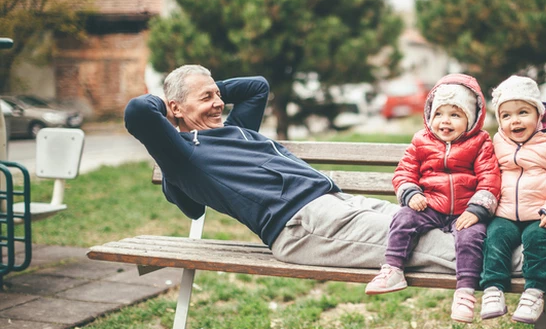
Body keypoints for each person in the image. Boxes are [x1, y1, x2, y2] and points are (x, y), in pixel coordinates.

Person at [124, 64, 457, 273]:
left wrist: (205, 88)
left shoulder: (234, 128)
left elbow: (257, 86)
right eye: (206, 97)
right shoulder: (183, 154)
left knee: (432, 219)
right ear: (175, 108)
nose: (218, 103)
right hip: (302, 223)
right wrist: (171, 104)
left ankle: (501, 242)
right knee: (429, 243)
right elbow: (139, 111)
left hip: (338, 203)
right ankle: (506, 260)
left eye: (218, 94)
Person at [364, 74, 500, 323]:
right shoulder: (420, 141)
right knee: (403, 218)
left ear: (471, 119)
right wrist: (411, 193)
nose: (445, 121)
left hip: (465, 209)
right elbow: (404, 172)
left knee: (472, 237)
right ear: (429, 115)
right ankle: (393, 269)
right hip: (430, 203)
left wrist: (477, 210)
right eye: (439, 114)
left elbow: (490, 179)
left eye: (455, 115)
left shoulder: (481, 143)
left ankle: (465, 291)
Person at [480, 75, 546, 324]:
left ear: (539, 114)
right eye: (506, 115)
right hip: (505, 213)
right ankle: (493, 289)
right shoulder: (498, 143)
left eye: (523, 112)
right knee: (495, 237)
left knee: (536, 239)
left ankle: (535, 291)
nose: (514, 120)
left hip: (541, 213)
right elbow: (487, 173)